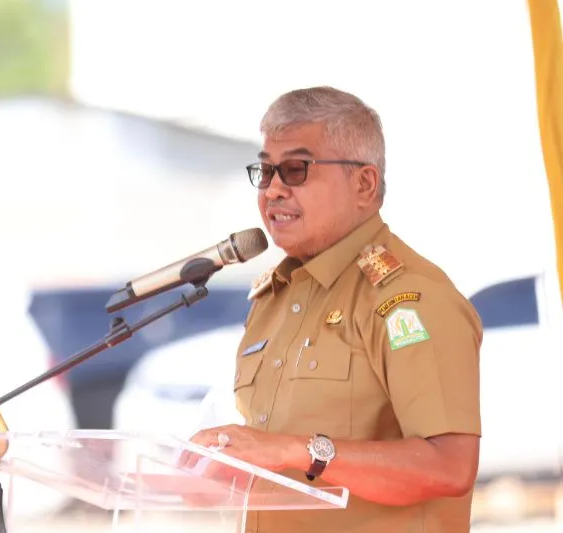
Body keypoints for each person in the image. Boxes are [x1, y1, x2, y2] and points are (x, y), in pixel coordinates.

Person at [185, 86, 482, 532]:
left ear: (364, 183)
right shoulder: (273, 298)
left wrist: (298, 450)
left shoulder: (410, 298)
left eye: (296, 170)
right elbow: (270, 462)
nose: (273, 190)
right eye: (265, 172)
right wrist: (216, 467)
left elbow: (449, 467)